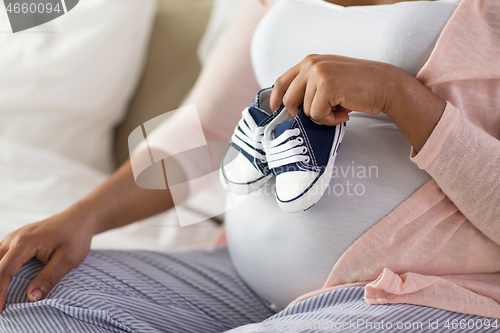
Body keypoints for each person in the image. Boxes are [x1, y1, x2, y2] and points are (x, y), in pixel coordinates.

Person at [0, 0, 499, 331]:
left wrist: (400, 95)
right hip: (240, 282)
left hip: (424, 296)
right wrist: (82, 217)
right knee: (24, 294)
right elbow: (206, 133)